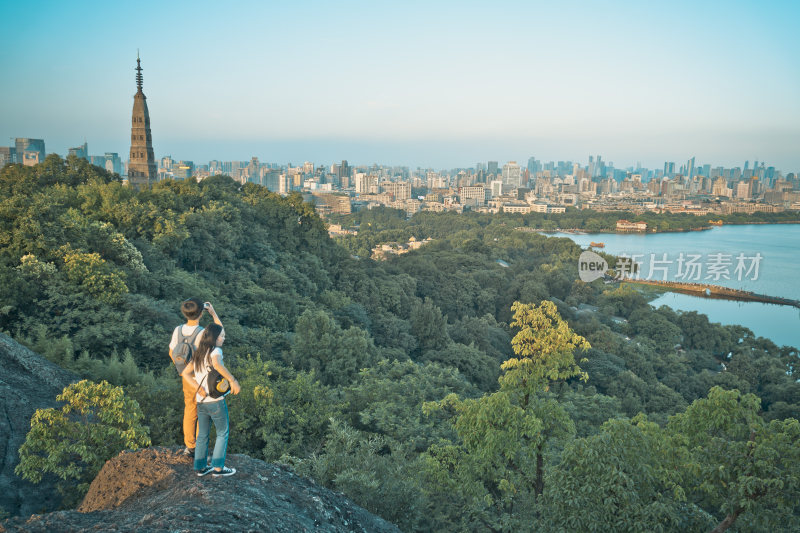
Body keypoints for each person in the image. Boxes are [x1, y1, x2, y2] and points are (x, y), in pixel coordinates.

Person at [181, 323, 241, 476]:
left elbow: (185, 373)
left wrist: (197, 387)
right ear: (214, 337)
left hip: (201, 400)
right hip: (215, 400)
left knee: (202, 434)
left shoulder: (199, 353)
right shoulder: (216, 351)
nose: (223, 338)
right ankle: (218, 468)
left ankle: (200, 467)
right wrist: (233, 380)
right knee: (223, 432)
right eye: (221, 336)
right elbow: (217, 365)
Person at [168, 299, 223, 456]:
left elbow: (172, 352)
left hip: (186, 378)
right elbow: (220, 332)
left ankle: (190, 446)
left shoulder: (177, 330)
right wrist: (213, 313)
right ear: (201, 313)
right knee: (203, 412)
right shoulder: (203, 333)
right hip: (202, 379)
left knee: (190, 410)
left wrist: (182, 370)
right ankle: (200, 447)